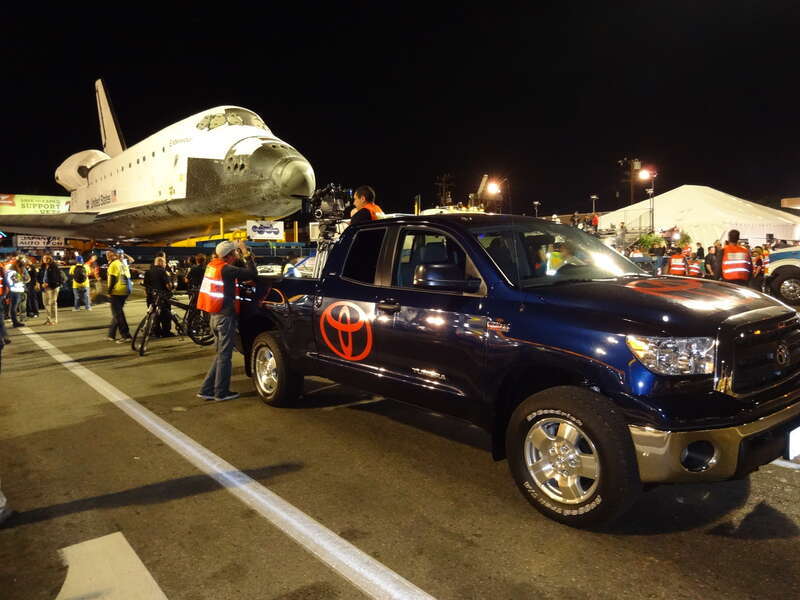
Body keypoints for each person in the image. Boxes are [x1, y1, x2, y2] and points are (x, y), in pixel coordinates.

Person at [196, 240, 257, 402]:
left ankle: (206, 389)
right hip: (225, 318)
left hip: (214, 317)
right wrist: (246, 253)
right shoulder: (227, 269)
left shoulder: (212, 266)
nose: (237, 254)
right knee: (225, 357)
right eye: (235, 252)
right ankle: (221, 392)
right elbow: (252, 273)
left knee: (220, 355)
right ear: (229, 255)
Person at [106, 250, 133, 342]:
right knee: (117, 313)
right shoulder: (123, 263)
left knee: (118, 314)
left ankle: (126, 335)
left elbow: (113, 279)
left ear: (115, 255)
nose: (108, 256)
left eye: (109, 255)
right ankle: (111, 334)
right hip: (125, 290)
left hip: (117, 291)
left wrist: (109, 291)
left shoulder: (114, 264)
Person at [143, 256, 174, 337]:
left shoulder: (148, 272)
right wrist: (172, 288)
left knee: (154, 315)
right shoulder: (163, 272)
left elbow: (145, 286)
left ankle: (156, 331)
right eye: (164, 262)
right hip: (162, 297)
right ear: (160, 262)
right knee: (166, 315)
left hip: (150, 297)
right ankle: (166, 332)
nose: (165, 264)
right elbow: (168, 285)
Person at [38, 254, 63, 326]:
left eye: (47, 258)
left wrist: (48, 283)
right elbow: (39, 276)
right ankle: (48, 319)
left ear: (50, 259)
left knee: (52, 303)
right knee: (45, 303)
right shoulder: (42, 267)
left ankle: (54, 320)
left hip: (53, 287)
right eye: (44, 258)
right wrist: (40, 283)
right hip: (44, 287)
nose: (45, 259)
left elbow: (56, 277)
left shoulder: (54, 266)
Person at [5, 259, 27, 328]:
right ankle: (15, 322)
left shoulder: (10, 272)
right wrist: (22, 283)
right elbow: (17, 282)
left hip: (13, 291)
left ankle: (15, 321)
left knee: (13, 307)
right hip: (15, 291)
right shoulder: (13, 272)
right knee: (13, 308)